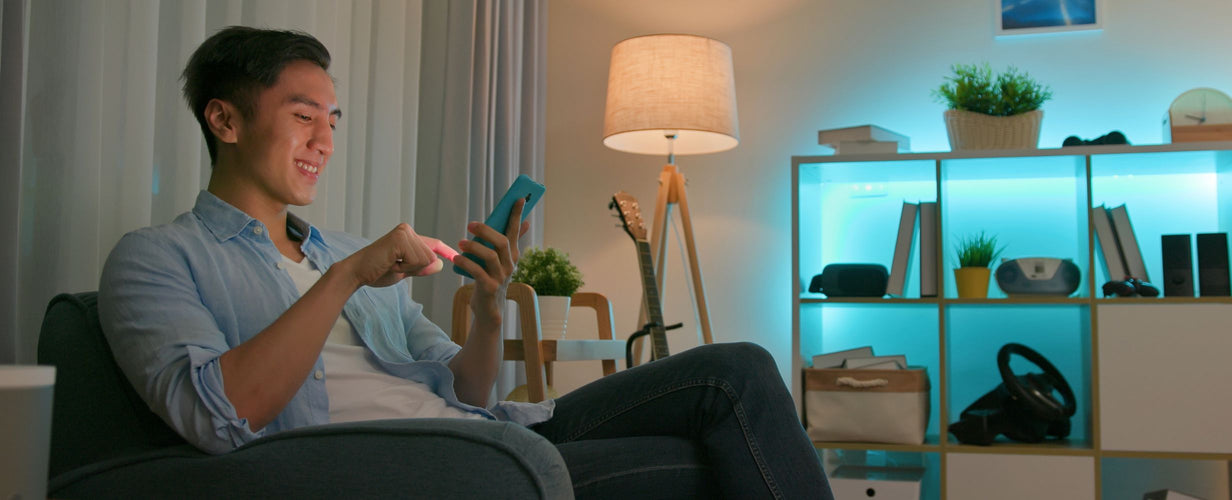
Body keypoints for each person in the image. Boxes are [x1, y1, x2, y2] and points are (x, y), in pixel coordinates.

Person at [99, 26, 832, 499]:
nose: (324, 140)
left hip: (492, 432)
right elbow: (216, 416)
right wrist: (346, 278)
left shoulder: (342, 252)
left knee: (736, 371)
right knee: (714, 462)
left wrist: (486, 311)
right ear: (224, 119)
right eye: (302, 116)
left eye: (332, 119)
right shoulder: (157, 259)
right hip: (423, 466)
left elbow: (467, 389)